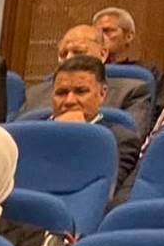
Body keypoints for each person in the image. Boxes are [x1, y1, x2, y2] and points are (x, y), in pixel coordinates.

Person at [20, 25, 154, 133]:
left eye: (78, 52)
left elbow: (132, 138)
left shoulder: (131, 91)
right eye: (63, 54)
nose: (69, 58)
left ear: (103, 54)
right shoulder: (34, 94)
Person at [44, 55, 140, 198]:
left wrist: (75, 137)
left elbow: (101, 195)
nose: (69, 101)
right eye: (61, 93)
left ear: (102, 94)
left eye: (81, 91)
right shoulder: (31, 133)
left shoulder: (120, 140)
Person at [95, 5, 164, 106]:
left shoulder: (150, 73)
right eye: (96, 32)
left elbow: (158, 110)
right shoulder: (87, 70)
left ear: (128, 36)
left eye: (107, 31)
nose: (100, 37)